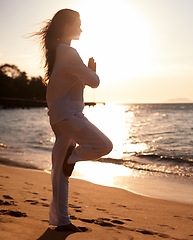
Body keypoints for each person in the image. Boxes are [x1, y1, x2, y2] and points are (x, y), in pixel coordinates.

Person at [34, 9, 113, 232]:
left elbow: (77, 83)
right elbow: (94, 82)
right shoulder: (69, 52)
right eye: (78, 24)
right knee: (104, 145)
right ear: (67, 27)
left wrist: (86, 73)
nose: (81, 28)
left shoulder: (58, 52)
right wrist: (91, 71)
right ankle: (73, 158)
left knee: (59, 173)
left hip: (58, 117)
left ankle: (62, 221)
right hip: (69, 116)